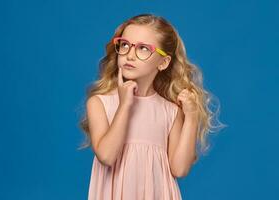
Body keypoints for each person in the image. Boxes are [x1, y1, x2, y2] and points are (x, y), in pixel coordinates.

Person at [78, 13, 226, 200]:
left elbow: (179, 169)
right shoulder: (99, 103)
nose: (130, 55)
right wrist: (125, 105)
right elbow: (107, 156)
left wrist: (192, 117)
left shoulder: (170, 112)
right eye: (125, 45)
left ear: (163, 62)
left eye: (143, 48)